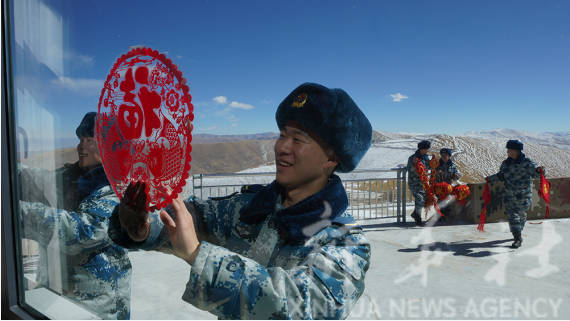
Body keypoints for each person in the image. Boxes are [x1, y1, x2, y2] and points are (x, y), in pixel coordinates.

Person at [109, 83, 372, 319]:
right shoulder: (250, 208)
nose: (281, 147)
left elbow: (301, 307)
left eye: (297, 139)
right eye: (282, 134)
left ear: (331, 158)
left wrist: (198, 255)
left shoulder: (346, 243)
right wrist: (142, 223)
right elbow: (190, 219)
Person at [19, 112, 132, 319]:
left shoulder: (119, 189)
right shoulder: (72, 177)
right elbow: (33, 180)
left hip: (97, 307)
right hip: (55, 295)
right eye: (80, 140)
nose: (81, 146)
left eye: (90, 140)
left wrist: (17, 212)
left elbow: (83, 230)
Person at [486, 140, 545, 249]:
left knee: (522, 216)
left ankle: (518, 231)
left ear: (517, 151)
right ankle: (517, 238)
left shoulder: (527, 163)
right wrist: (490, 179)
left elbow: (537, 175)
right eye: (508, 150)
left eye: (510, 150)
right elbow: (501, 176)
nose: (508, 152)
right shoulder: (505, 163)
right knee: (513, 216)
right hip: (510, 196)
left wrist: (541, 171)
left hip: (524, 196)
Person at [406, 140, 431, 226]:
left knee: (422, 200)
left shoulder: (426, 158)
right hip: (414, 183)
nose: (428, 150)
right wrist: (415, 165)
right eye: (426, 149)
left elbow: (429, 167)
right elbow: (409, 169)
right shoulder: (412, 158)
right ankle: (417, 217)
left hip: (423, 184)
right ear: (422, 149)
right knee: (420, 199)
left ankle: (415, 214)